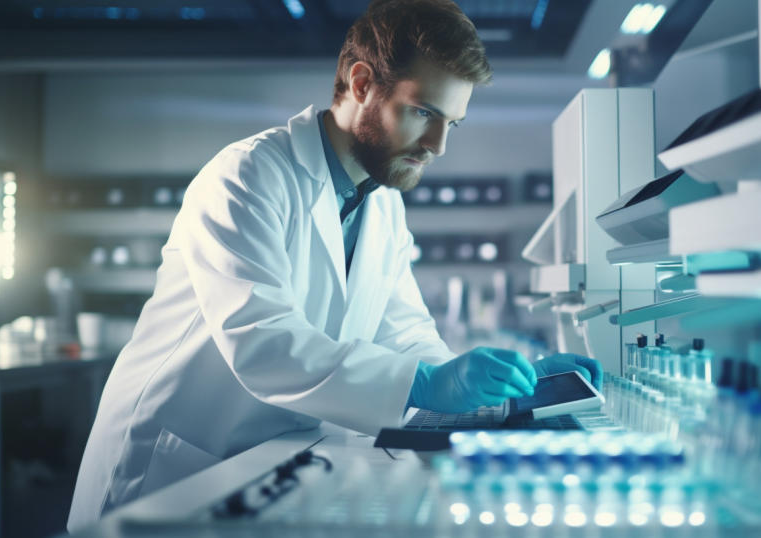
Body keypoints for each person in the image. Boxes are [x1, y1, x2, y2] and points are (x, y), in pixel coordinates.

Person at [67, 0, 603, 530]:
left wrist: (495, 398)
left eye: (452, 124)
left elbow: (405, 335)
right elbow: (264, 343)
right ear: (362, 83)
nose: (438, 145)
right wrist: (425, 384)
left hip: (271, 460)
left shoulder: (383, 201)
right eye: (424, 113)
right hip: (173, 466)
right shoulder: (247, 176)